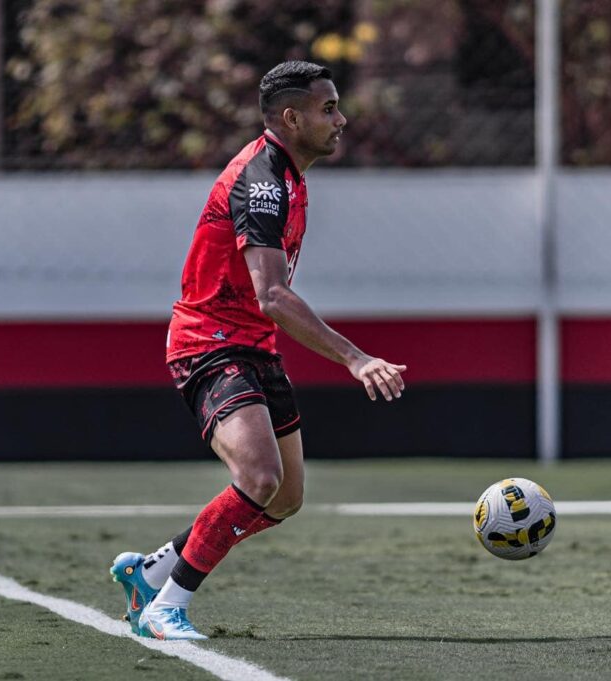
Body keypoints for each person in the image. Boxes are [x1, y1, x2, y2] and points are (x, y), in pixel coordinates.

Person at [110, 60, 407, 640]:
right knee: (260, 474)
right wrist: (355, 357)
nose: (341, 120)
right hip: (209, 344)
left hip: (252, 347)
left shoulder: (290, 175)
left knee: (285, 497)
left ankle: (152, 571)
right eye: (328, 109)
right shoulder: (264, 181)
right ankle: (165, 610)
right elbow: (272, 294)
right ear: (291, 118)